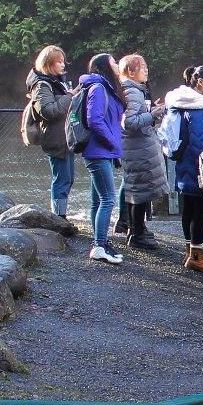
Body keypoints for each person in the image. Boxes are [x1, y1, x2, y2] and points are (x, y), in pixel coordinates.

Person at [164, 65, 203, 274]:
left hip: (183, 164)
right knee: (201, 209)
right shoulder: (196, 107)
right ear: (200, 82)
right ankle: (197, 255)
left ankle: (189, 250)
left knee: (188, 207)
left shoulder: (178, 102)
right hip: (198, 167)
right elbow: (201, 143)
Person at [78, 53, 126, 264]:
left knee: (98, 200)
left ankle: (101, 242)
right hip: (99, 151)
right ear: (104, 66)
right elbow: (95, 120)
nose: (117, 64)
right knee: (108, 199)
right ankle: (100, 245)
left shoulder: (104, 87)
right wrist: (113, 143)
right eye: (114, 62)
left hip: (100, 151)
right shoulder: (98, 88)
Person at [117, 54, 168, 251]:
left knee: (138, 189)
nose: (146, 70)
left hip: (139, 147)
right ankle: (137, 233)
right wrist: (152, 114)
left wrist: (150, 109)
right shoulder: (131, 91)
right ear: (131, 72)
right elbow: (129, 122)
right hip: (138, 149)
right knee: (140, 190)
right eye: (142, 67)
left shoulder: (133, 90)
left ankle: (136, 229)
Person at [24, 45, 73, 218]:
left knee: (67, 178)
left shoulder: (55, 82)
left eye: (63, 61)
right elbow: (48, 111)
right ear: (48, 64)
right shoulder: (42, 85)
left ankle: (61, 215)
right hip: (55, 138)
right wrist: (69, 97)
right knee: (61, 180)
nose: (63, 65)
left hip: (64, 138)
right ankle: (58, 218)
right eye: (58, 62)